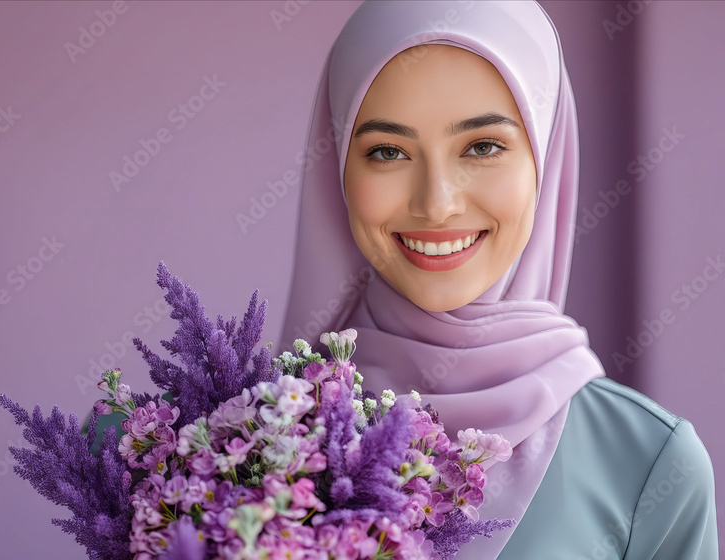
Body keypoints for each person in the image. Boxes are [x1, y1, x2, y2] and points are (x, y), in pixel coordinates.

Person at [278, 1, 718, 558]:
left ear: (547, 159)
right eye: (387, 151)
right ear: (336, 166)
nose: (436, 205)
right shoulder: (244, 440)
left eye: (482, 147)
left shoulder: (650, 466)